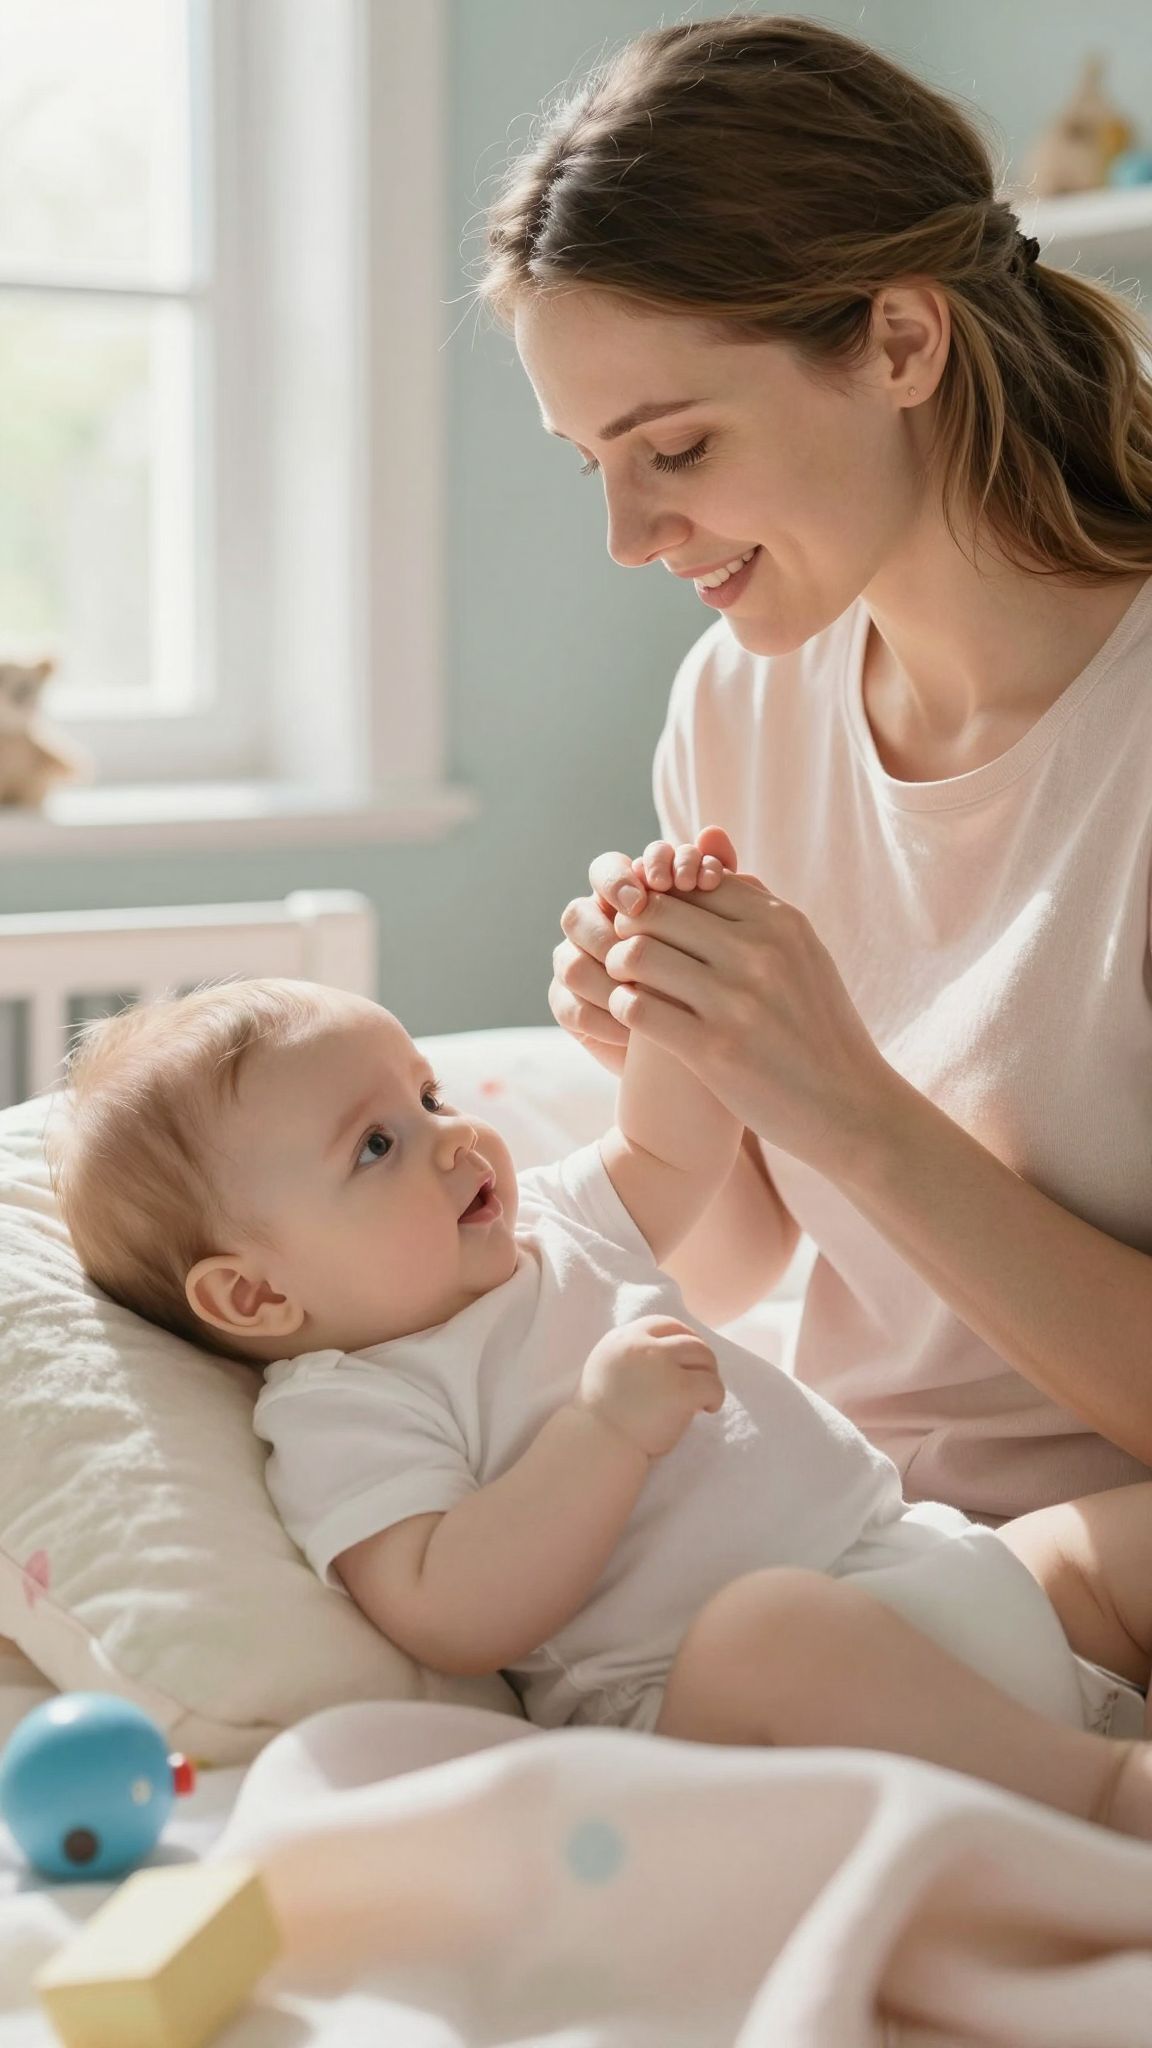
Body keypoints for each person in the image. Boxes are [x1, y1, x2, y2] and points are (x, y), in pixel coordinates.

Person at [42, 845, 1152, 1841]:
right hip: (724, 1703)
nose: (452, 1137)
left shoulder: (546, 1226)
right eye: (377, 1144)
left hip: (929, 1559)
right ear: (253, 1292)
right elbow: (448, 1606)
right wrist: (603, 1431)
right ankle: (1105, 1793)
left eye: (427, 1094)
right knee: (770, 1630)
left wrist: (664, 981)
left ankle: (1055, 1724)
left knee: (1117, 1540)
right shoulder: (347, 1402)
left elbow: (671, 1149)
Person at [474, 14, 1152, 1526]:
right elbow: (741, 1265)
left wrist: (849, 1103)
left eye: (676, 449)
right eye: (598, 465)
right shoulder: (740, 703)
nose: (629, 538)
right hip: (863, 1519)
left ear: (902, 342)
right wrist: (679, 1054)